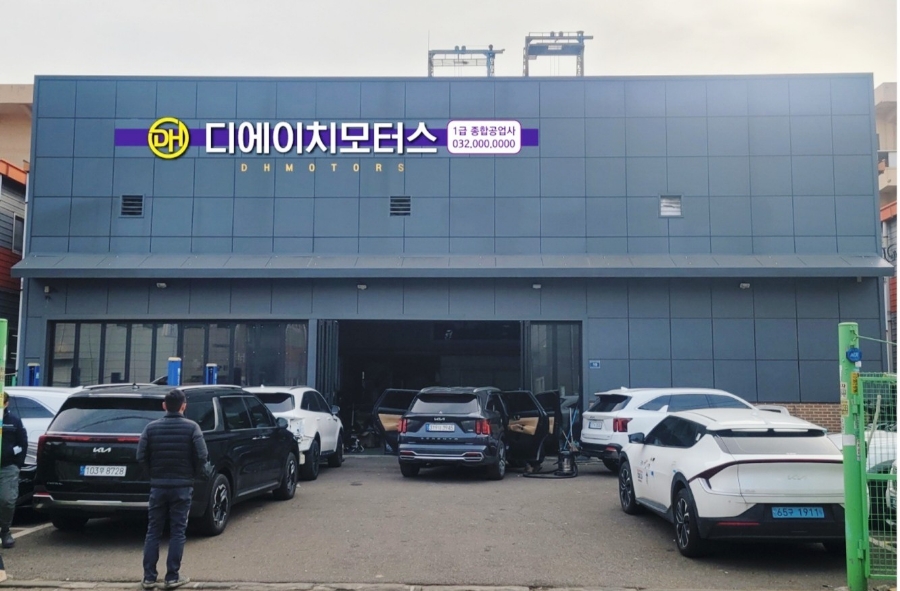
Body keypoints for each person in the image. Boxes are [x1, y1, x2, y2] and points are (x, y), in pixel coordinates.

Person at [136, 389, 208, 590]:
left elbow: (140, 456)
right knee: (178, 531)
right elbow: (202, 456)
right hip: (182, 486)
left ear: (164, 406)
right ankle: (172, 577)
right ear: (184, 406)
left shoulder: (150, 428)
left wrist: (152, 475)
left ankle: (149, 577)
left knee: (153, 531)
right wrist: (192, 475)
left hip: (158, 486)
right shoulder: (192, 428)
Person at [0, 391, 27, 549]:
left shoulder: (13, 422)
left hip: (7, 467)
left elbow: (22, 443)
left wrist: (17, 464)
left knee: (7, 500)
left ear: (6, 403)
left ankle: (5, 531)